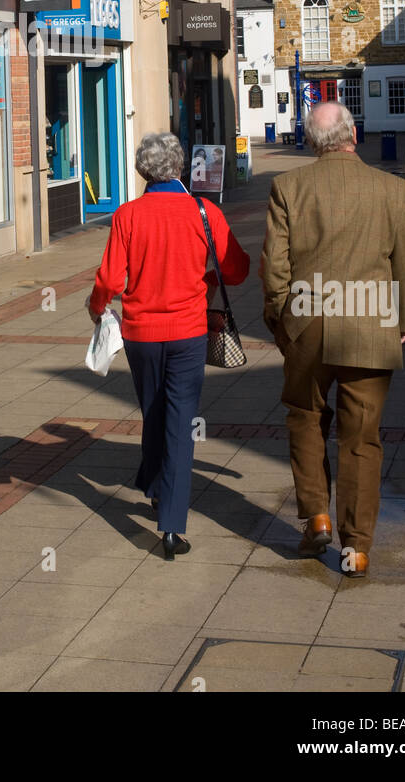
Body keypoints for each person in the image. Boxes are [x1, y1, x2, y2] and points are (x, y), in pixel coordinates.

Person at [260, 102, 405, 579]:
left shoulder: (288, 186)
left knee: (306, 419)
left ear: (312, 141)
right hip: (371, 320)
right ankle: (356, 547)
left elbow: (275, 266)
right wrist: (403, 317)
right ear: (354, 134)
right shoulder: (392, 189)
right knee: (361, 439)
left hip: (309, 320)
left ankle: (317, 518)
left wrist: (281, 318)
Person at [88, 132, 250, 559]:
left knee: (154, 412)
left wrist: (97, 307)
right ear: (179, 168)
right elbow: (236, 270)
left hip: (141, 334)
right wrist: (208, 279)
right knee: (180, 422)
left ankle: (158, 488)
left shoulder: (128, 214)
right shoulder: (204, 211)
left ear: (143, 170)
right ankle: (171, 524)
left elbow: (109, 280)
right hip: (188, 331)